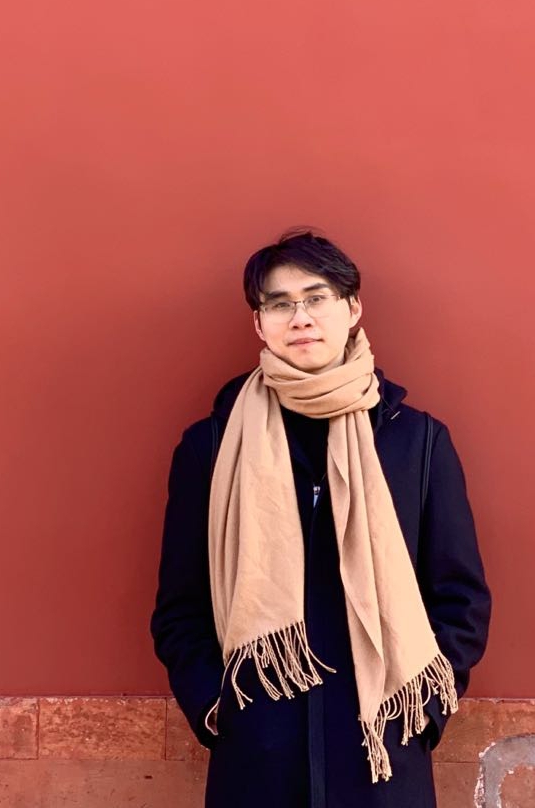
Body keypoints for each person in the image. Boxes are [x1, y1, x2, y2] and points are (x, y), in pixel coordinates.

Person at [150, 229, 491, 808]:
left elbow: (461, 598)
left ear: (352, 309)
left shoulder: (417, 442)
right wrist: (220, 712)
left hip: (383, 755)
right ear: (260, 324)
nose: (300, 317)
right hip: (258, 761)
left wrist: (424, 712)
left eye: (317, 297)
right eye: (279, 304)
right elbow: (180, 607)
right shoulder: (212, 447)